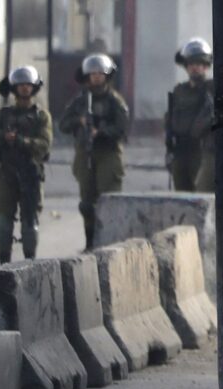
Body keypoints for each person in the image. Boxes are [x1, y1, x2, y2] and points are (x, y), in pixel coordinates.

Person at [0, 66, 52, 264]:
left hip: (31, 174)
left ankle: (30, 264)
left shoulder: (41, 116)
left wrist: (22, 141)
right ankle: (5, 264)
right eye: (21, 85)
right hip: (7, 173)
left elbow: (44, 144)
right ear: (14, 88)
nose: (24, 88)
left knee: (30, 224)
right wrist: (3, 137)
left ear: (34, 87)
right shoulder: (3, 115)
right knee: (4, 224)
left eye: (28, 84)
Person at [60, 53, 129, 251]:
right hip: (85, 154)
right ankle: (90, 243)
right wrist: (80, 121)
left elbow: (122, 127)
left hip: (108, 153)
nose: (96, 76)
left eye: (100, 73)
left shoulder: (115, 101)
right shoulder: (80, 101)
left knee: (109, 201)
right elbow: (63, 124)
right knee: (87, 203)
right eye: (93, 73)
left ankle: (110, 243)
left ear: (106, 75)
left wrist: (101, 131)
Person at [166, 37, 215, 192]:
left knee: (201, 191)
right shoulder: (179, 91)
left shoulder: (211, 89)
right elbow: (170, 118)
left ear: (206, 66)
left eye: (199, 64)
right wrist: (169, 147)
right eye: (191, 64)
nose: (195, 68)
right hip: (180, 149)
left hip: (201, 149)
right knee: (181, 193)